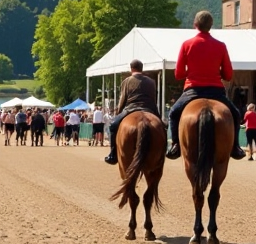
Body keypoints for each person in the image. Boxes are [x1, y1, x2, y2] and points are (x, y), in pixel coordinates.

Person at [167, 11, 245, 161]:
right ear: (211, 26)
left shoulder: (186, 44)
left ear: (195, 25)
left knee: (174, 113)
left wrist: (191, 72)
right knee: (235, 114)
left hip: (193, 90)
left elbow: (178, 74)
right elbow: (228, 75)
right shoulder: (221, 46)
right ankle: (235, 146)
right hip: (216, 91)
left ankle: (175, 145)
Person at [104, 59, 162, 165]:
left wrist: (119, 111)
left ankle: (113, 154)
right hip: (149, 108)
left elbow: (122, 100)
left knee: (113, 126)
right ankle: (163, 152)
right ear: (142, 68)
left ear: (131, 69)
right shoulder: (151, 82)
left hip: (131, 108)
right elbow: (154, 99)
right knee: (162, 127)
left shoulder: (127, 81)